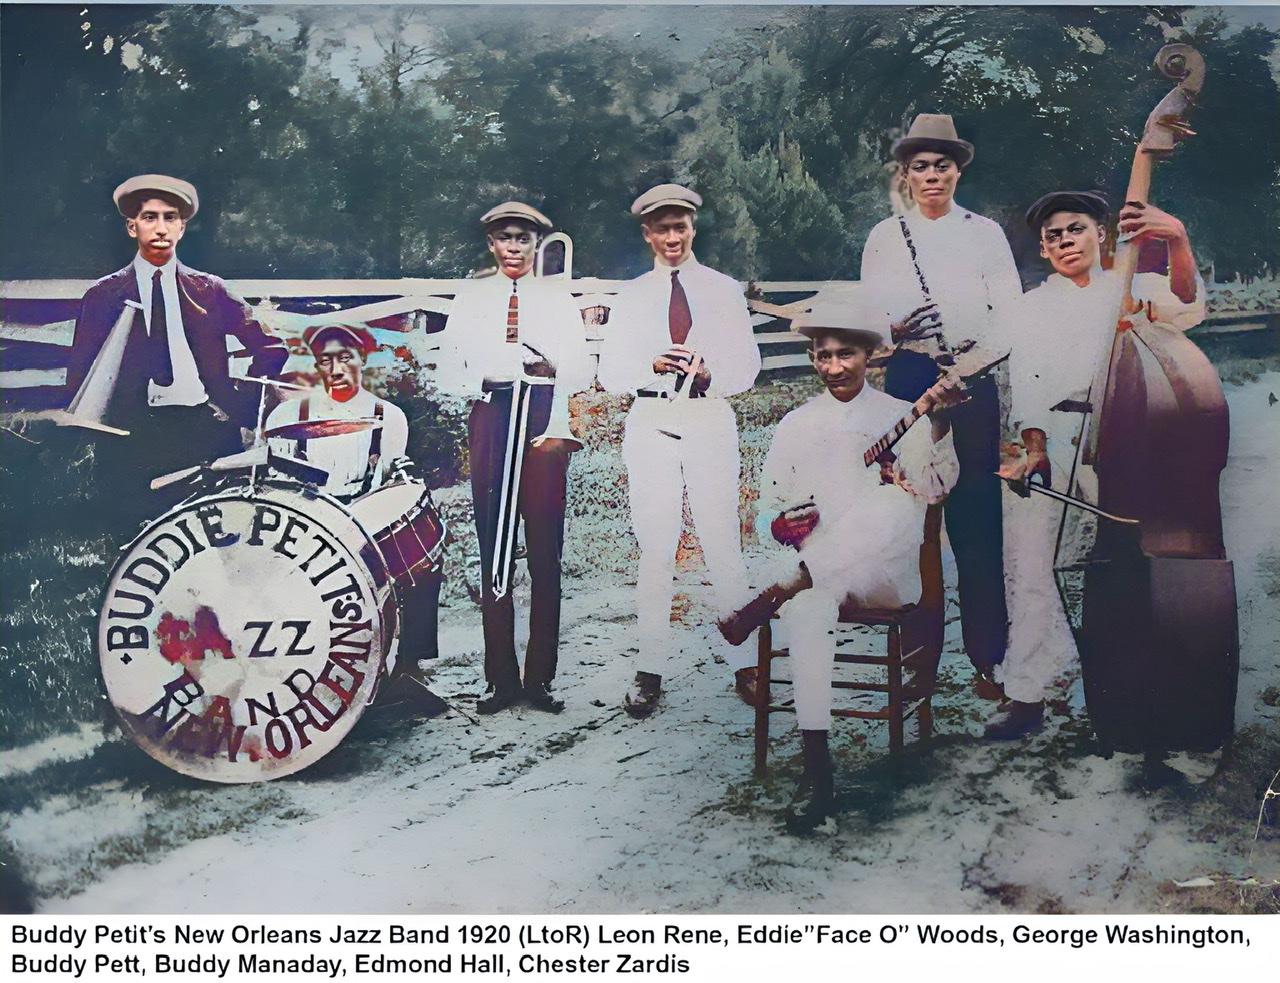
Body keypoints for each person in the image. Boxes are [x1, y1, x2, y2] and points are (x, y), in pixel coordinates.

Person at [718, 300, 959, 832]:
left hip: (885, 577)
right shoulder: (796, 425)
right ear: (811, 357)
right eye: (822, 356)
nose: (834, 368)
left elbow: (938, 488)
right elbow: (766, 515)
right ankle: (818, 771)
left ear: (870, 355)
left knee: (893, 504)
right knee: (806, 613)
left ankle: (783, 587)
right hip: (822, 570)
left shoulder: (902, 412)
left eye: (845, 354)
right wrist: (782, 525)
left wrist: (938, 422)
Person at [987, 191, 1206, 739]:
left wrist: (1175, 237)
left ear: (1101, 234)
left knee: (1132, 566)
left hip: (1129, 437)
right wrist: (1035, 448)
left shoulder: (1129, 287)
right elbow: (1029, 389)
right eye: (1053, 235)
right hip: (1056, 439)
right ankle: (1028, 695)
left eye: (1076, 229)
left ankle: (1138, 693)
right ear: (1042, 247)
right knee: (1033, 564)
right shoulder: (1031, 308)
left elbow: (1189, 305)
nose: (1065, 242)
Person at [859, 114, 1022, 701]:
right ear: (906, 173)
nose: (933, 176)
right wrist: (894, 327)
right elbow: (868, 329)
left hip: (970, 382)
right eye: (921, 167)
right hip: (906, 378)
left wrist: (963, 370)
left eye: (943, 166)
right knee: (906, 518)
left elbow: (1008, 321)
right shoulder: (884, 236)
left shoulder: (984, 233)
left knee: (976, 519)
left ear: (959, 170)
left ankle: (989, 661)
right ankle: (916, 660)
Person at [597, 184, 762, 719]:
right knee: (657, 547)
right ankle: (650, 668)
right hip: (652, 421)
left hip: (708, 418)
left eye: (681, 226)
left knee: (721, 543)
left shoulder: (722, 290)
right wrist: (652, 364)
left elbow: (748, 368)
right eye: (662, 228)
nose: (673, 237)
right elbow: (609, 374)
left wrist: (711, 371)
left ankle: (744, 662)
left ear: (694, 227)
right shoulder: (633, 295)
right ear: (647, 233)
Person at [436, 202, 594, 715]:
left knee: (545, 548)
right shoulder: (471, 297)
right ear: (490, 243)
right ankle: (499, 680)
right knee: (494, 547)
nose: (513, 247)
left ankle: (539, 678)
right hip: (492, 416)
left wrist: (552, 370)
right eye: (504, 238)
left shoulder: (556, 299)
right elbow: (445, 372)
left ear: (535, 245)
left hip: (543, 419)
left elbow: (582, 370)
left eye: (523, 239)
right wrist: (485, 377)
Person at [68, 174, 287, 520]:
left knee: (217, 527)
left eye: (170, 218)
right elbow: (79, 376)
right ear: (131, 227)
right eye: (149, 217)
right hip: (133, 433)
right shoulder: (103, 296)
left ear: (182, 229)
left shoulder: (210, 289)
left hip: (202, 423)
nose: (160, 228)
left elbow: (271, 346)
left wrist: (233, 402)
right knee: (139, 532)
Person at [265, 323, 443, 709]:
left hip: (364, 523)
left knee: (422, 560)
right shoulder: (289, 416)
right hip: (311, 524)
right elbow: (280, 485)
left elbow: (392, 483)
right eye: (326, 361)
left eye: (345, 358)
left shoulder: (389, 416)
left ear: (362, 360)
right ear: (316, 366)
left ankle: (407, 670)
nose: (336, 368)